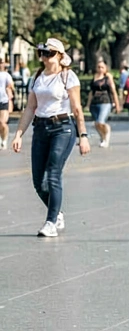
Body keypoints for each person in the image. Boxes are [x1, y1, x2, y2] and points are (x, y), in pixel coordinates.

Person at [11, 38, 91, 236]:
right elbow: (30, 108)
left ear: (60, 56)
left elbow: (77, 108)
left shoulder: (68, 76)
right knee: (38, 181)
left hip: (63, 127)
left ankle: (51, 222)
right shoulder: (37, 77)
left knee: (53, 173)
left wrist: (83, 135)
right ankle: (56, 213)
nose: (44, 57)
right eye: (42, 53)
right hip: (41, 128)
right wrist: (19, 134)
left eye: (49, 53)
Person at [86, 60, 121, 148]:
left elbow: (113, 92)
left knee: (100, 121)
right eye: (99, 67)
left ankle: (106, 137)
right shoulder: (94, 78)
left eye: (102, 67)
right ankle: (102, 137)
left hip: (105, 102)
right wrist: (88, 104)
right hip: (95, 103)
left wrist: (117, 105)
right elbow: (91, 92)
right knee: (96, 124)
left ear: (106, 69)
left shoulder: (108, 78)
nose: (100, 69)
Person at [0, 61, 15, 150]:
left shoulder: (6, 75)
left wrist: (9, 89)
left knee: (3, 122)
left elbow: (11, 86)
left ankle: (4, 140)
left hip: (3, 100)